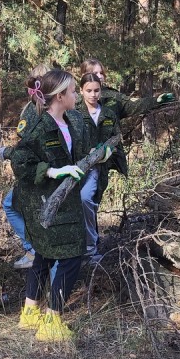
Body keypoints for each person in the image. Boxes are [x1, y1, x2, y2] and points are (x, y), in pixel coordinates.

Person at [11, 69, 93, 342]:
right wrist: (52, 171)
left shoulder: (70, 122)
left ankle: (30, 313)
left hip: (62, 204)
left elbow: (80, 150)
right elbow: (20, 162)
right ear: (59, 96)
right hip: (43, 204)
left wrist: (99, 155)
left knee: (44, 254)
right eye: (72, 92)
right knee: (71, 256)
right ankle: (52, 322)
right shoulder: (38, 125)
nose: (76, 96)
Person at [76, 58, 173, 261]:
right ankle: (81, 246)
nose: (100, 77)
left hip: (101, 163)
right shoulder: (74, 104)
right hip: (76, 163)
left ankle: (90, 248)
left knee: (90, 199)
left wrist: (157, 101)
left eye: (102, 73)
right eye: (95, 73)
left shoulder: (112, 99)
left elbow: (134, 106)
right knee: (79, 202)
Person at [0, 64, 50, 270]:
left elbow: (25, 147)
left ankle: (33, 251)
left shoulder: (31, 111)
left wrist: (7, 152)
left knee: (10, 205)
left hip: (35, 174)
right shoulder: (59, 109)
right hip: (47, 171)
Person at [77, 73, 120, 263]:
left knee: (86, 199)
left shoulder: (108, 114)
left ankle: (90, 248)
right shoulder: (74, 112)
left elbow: (116, 138)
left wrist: (106, 152)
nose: (93, 95)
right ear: (81, 91)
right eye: (89, 91)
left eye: (96, 90)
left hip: (97, 169)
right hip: (75, 166)